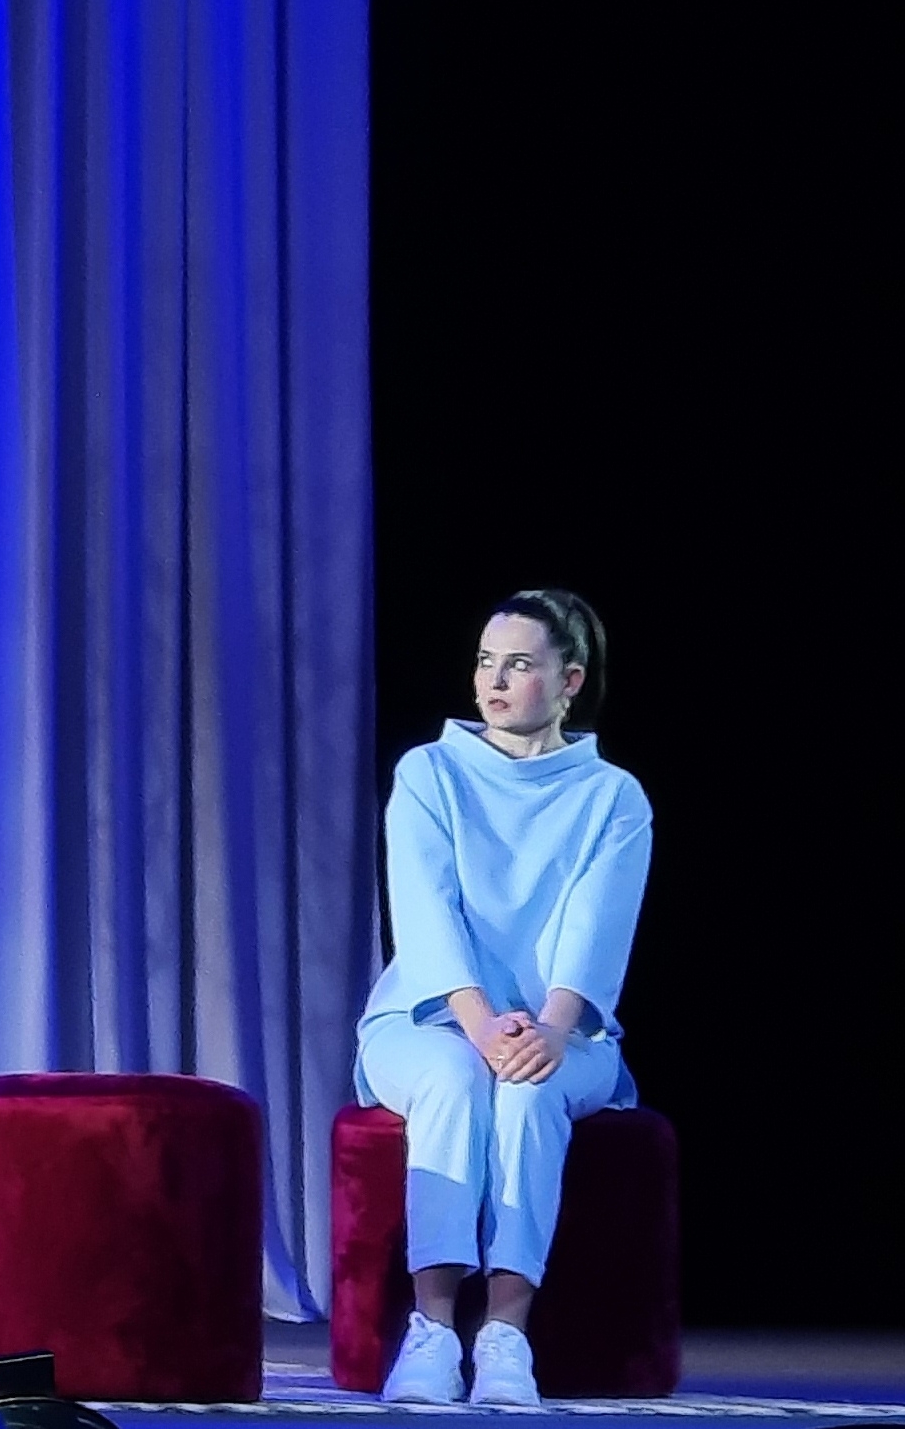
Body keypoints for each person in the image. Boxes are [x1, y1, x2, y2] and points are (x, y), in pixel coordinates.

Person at [358, 589, 652, 1406]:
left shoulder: (613, 795)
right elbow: (427, 910)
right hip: (428, 1020)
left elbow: (595, 927)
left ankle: (505, 1333)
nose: (493, 679)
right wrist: (481, 1024)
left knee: (527, 1088)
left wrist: (551, 1029)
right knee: (456, 1076)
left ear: (569, 680)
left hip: (567, 1031)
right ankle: (431, 1329)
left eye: (519, 664)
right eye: (487, 661)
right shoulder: (430, 771)